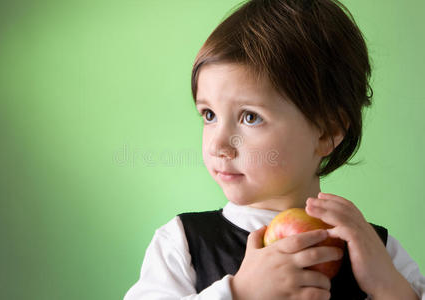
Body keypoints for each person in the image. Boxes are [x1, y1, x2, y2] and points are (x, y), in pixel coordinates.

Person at [124, 0, 425, 299]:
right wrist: (239, 293)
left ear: (328, 131)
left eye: (250, 117)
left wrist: (390, 287)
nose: (218, 145)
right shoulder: (183, 244)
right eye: (209, 115)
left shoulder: (374, 248)